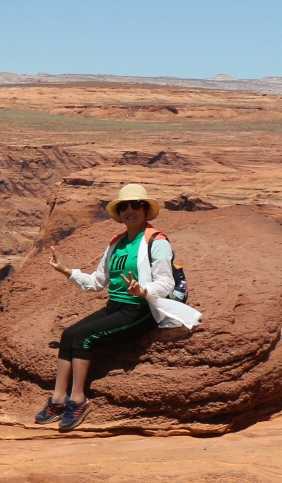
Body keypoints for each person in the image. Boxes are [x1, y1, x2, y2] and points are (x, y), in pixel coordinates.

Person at [37, 183, 201, 431]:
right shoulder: (116, 243)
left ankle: (78, 400)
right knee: (68, 334)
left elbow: (166, 282)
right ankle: (58, 400)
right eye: (124, 206)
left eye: (136, 205)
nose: (130, 210)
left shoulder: (156, 241)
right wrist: (67, 271)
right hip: (115, 306)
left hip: (140, 310)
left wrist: (143, 291)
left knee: (82, 337)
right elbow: (96, 282)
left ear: (145, 209)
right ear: (119, 212)